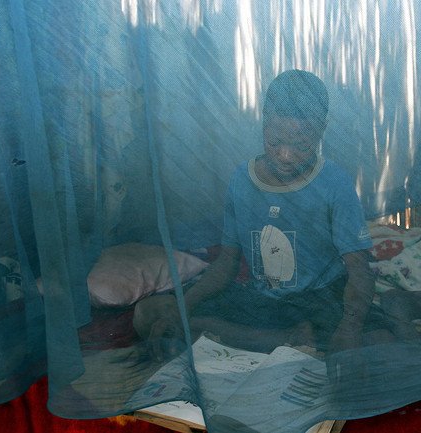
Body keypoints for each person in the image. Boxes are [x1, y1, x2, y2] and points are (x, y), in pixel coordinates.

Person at [134, 69, 379, 358]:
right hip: (263, 300)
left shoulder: (334, 183)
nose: (285, 155)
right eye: (275, 142)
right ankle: (288, 338)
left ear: (322, 130)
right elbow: (227, 263)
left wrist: (350, 327)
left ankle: (243, 334)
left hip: (320, 299)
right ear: (264, 122)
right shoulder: (243, 180)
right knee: (147, 314)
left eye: (301, 145)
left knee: (377, 344)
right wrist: (181, 311)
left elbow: (359, 269)